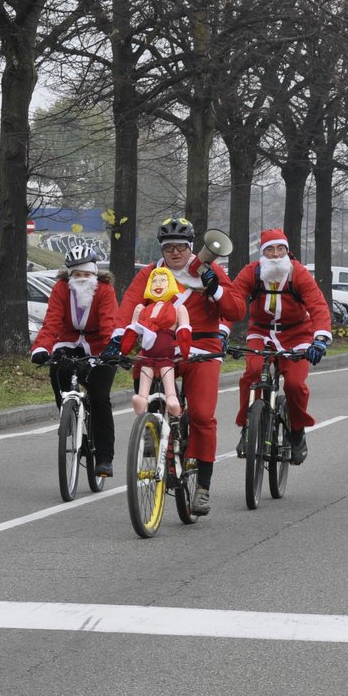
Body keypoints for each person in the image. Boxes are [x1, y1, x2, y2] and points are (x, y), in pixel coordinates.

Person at [109, 217, 231, 516]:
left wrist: (216, 290)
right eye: (168, 248)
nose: (175, 253)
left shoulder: (208, 269)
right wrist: (117, 339)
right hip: (162, 347)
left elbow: (236, 310)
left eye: (180, 247)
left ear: (191, 248)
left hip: (202, 347)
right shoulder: (151, 273)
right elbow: (129, 307)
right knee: (142, 371)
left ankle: (202, 485)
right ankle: (152, 430)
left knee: (202, 414)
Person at [219, 228, 332, 466]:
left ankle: (297, 431)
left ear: (287, 251)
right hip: (261, 331)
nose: (275, 254)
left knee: (294, 384)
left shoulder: (298, 273)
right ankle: (247, 428)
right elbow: (233, 302)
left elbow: (318, 306)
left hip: (298, 333)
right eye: (269, 250)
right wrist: (221, 332)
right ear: (262, 253)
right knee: (251, 373)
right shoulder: (252, 272)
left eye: (280, 249)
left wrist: (319, 340)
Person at [31, 242, 120, 478]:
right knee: (58, 371)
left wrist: (111, 352)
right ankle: (69, 418)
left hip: (100, 345)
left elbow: (109, 324)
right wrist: (41, 348)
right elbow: (51, 322)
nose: (82, 278)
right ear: (69, 274)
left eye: (87, 273)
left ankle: (104, 458)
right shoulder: (61, 289)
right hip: (69, 341)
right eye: (76, 274)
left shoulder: (105, 291)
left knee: (100, 398)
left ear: (95, 273)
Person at [124, 266, 190, 417]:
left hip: (166, 357)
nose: (159, 285)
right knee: (144, 383)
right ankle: (141, 399)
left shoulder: (177, 308)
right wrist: (124, 349)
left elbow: (184, 330)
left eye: (163, 281)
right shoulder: (143, 309)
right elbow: (133, 330)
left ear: (171, 284)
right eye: (155, 281)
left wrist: (186, 351)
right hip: (147, 356)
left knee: (168, 385)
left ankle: (173, 400)